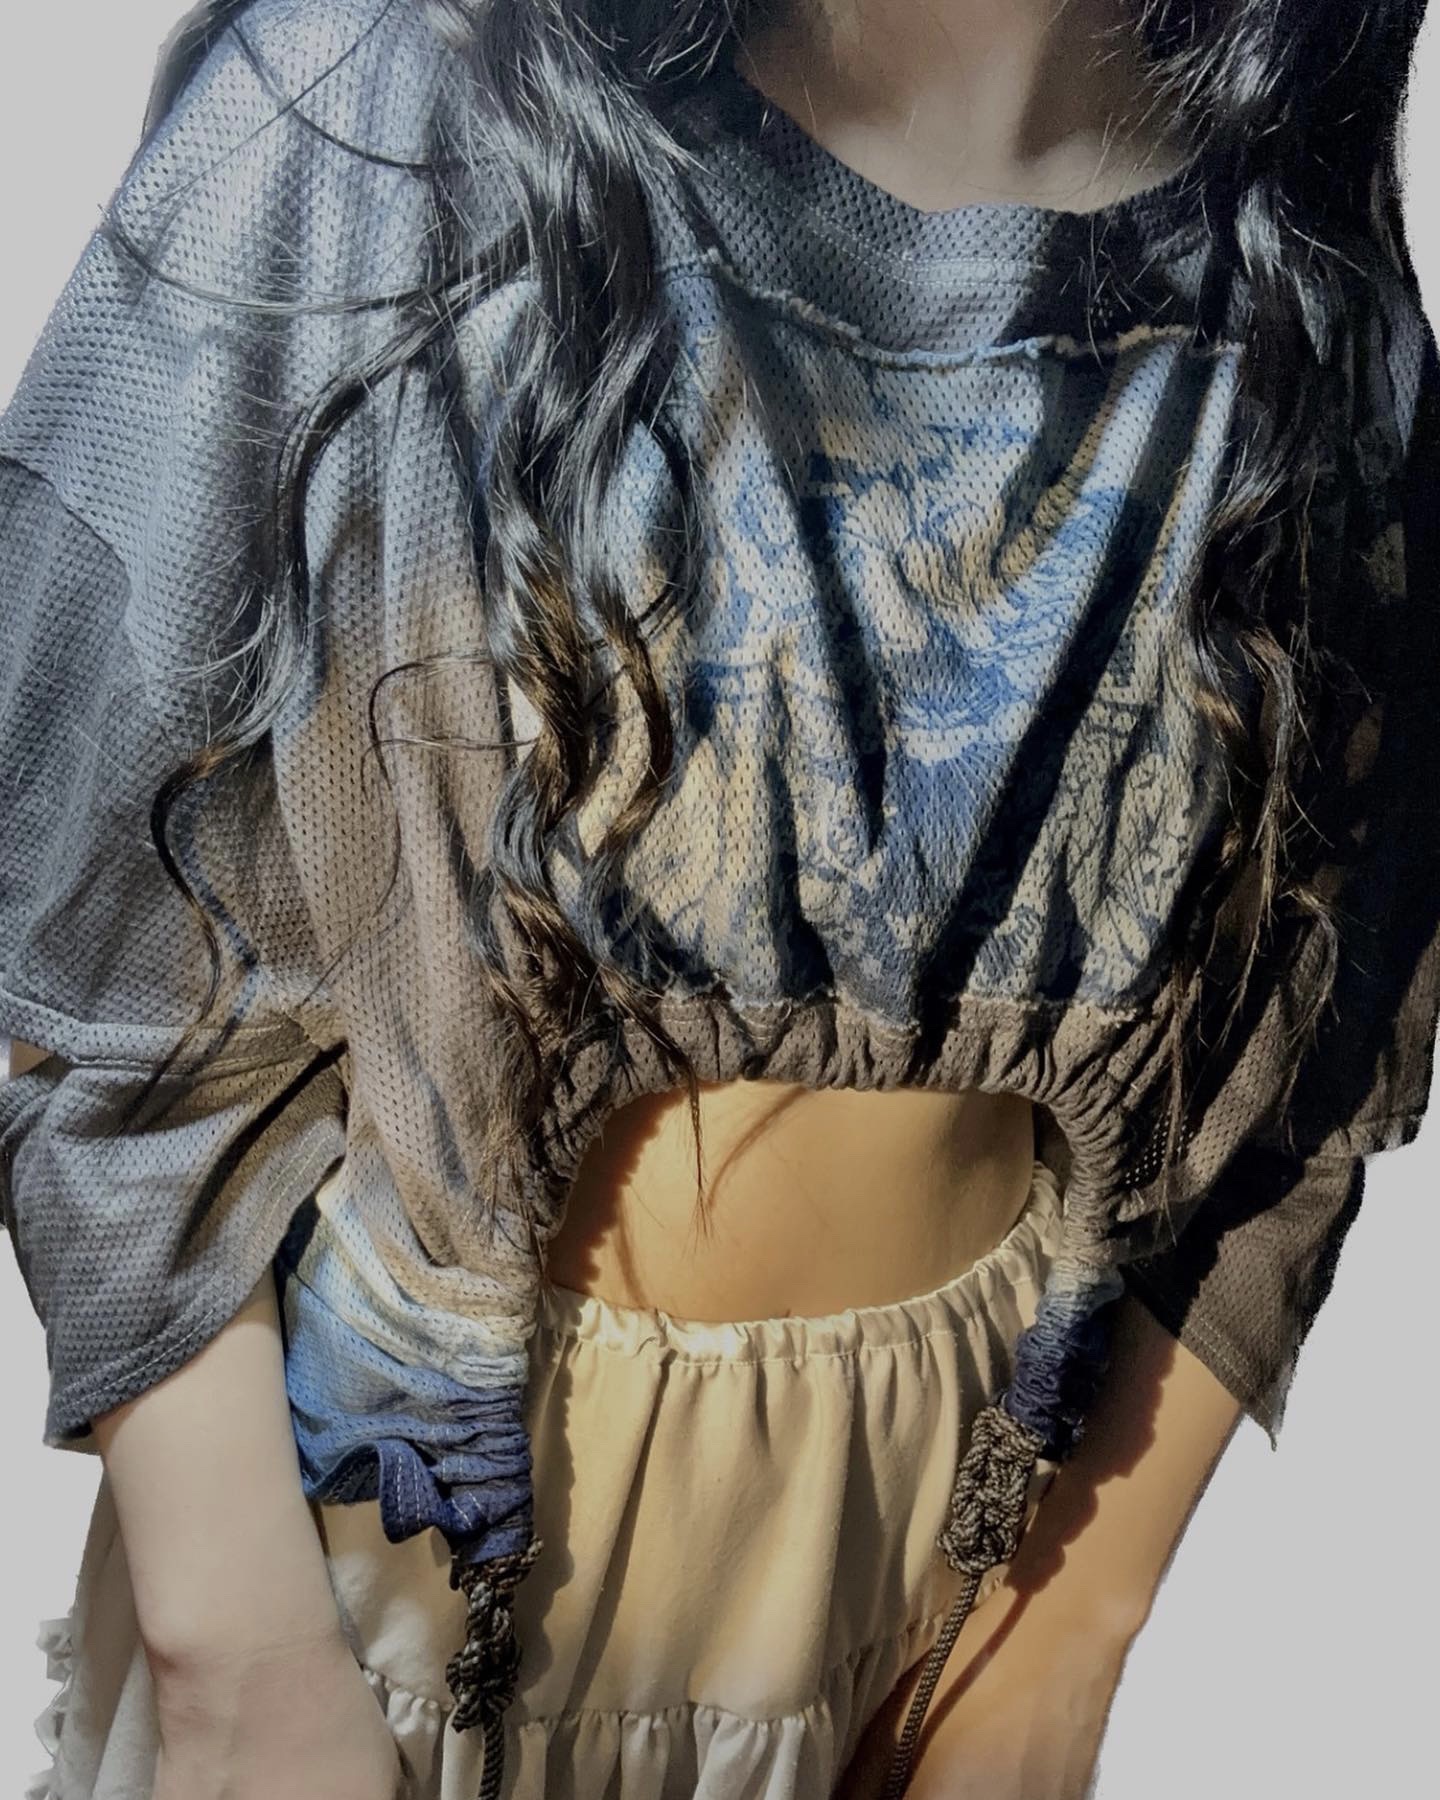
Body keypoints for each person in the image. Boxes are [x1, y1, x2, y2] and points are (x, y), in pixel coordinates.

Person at [2, 1, 1436, 1797]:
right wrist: (236, 1649)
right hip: (364, 1597)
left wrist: (1073, 1633)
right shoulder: (389, 92)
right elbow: (75, 912)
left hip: (918, 1601)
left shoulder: (1290, 247)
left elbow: (1337, 982)